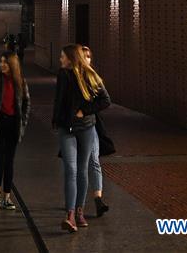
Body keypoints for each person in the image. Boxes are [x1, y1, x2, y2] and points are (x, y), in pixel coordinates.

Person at [52, 44, 111, 233]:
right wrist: (56, 119)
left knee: (82, 170)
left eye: (63, 56)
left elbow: (105, 100)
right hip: (66, 128)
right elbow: (59, 99)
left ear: (71, 58)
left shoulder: (90, 75)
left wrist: (84, 111)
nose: (60, 59)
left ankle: (79, 211)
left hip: (86, 128)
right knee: (70, 169)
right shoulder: (63, 75)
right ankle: (70, 215)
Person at [0, 53, 31, 211]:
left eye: (6, 62)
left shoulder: (20, 82)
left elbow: (26, 103)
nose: (2, 64)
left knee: (9, 161)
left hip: (13, 125)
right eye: (1, 61)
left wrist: (23, 122)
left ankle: (7, 197)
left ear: (13, 65)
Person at [81, 45, 115, 217]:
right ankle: (74, 201)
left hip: (91, 124)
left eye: (89, 56)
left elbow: (106, 100)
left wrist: (87, 110)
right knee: (75, 165)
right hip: (74, 127)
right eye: (84, 56)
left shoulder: (94, 77)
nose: (87, 59)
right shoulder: (69, 77)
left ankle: (98, 199)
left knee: (94, 160)